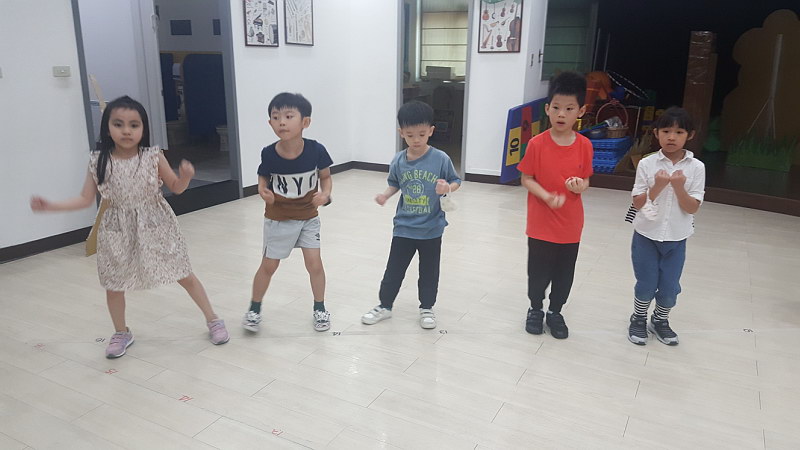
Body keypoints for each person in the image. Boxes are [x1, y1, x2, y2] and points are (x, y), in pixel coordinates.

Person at [30, 95, 229, 358]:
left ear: (143, 129)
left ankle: (213, 319)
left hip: (156, 224)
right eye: (119, 124)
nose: (126, 131)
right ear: (107, 128)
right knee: (114, 284)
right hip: (117, 229)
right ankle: (121, 332)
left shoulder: (153, 156)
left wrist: (186, 177)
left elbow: (176, 188)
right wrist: (51, 206)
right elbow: (85, 199)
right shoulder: (98, 160)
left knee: (184, 273)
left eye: (134, 125)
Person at [361, 100, 461, 329]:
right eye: (410, 135)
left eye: (422, 134)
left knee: (429, 272)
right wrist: (385, 195)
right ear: (401, 133)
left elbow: (456, 180)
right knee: (394, 270)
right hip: (404, 227)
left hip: (431, 228)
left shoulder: (440, 158)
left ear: (431, 131)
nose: (416, 140)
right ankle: (385, 306)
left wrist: (447, 187)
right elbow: (394, 183)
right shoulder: (398, 160)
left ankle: (427, 308)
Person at [241, 93, 334, 333]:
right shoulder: (269, 153)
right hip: (278, 218)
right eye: (275, 117)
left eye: (289, 116)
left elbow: (325, 177)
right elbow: (263, 175)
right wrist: (262, 190)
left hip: (308, 217)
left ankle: (320, 307)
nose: (281, 122)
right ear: (270, 123)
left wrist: (325, 194)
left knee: (314, 264)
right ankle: (254, 308)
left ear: (305, 122)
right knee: (269, 266)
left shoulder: (316, 150)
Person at [518, 71, 593, 339]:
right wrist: (547, 196)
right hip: (540, 223)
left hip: (570, 224)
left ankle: (555, 311)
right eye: (556, 107)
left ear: (580, 111)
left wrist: (580, 186)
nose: (562, 114)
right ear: (547, 108)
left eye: (569, 108)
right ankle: (535, 308)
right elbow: (526, 178)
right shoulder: (536, 144)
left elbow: (586, 178)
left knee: (564, 273)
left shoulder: (585, 145)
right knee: (538, 272)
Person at [627, 107, 705, 346]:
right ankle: (638, 318)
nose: (672, 137)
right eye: (666, 131)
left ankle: (660, 320)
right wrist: (658, 186)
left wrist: (679, 187)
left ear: (690, 135)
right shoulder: (646, 163)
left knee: (670, 287)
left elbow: (692, 207)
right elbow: (638, 203)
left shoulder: (696, 167)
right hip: (646, 235)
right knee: (646, 282)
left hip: (677, 237)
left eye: (679, 132)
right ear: (656, 133)